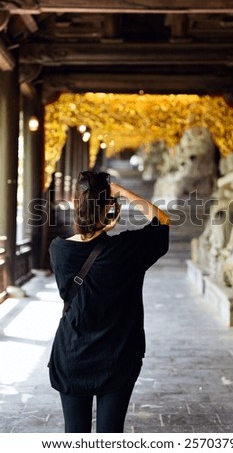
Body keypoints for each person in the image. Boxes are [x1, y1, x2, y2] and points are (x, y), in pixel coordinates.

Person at [48, 170, 170, 433]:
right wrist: (123, 192)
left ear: (74, 203)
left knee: (75, 433)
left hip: (72, 354)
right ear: (110, 208)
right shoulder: (126, 250)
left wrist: (100, 222)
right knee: (111, 434)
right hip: (118, 355)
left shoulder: (58, 250)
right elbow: (161, 220)